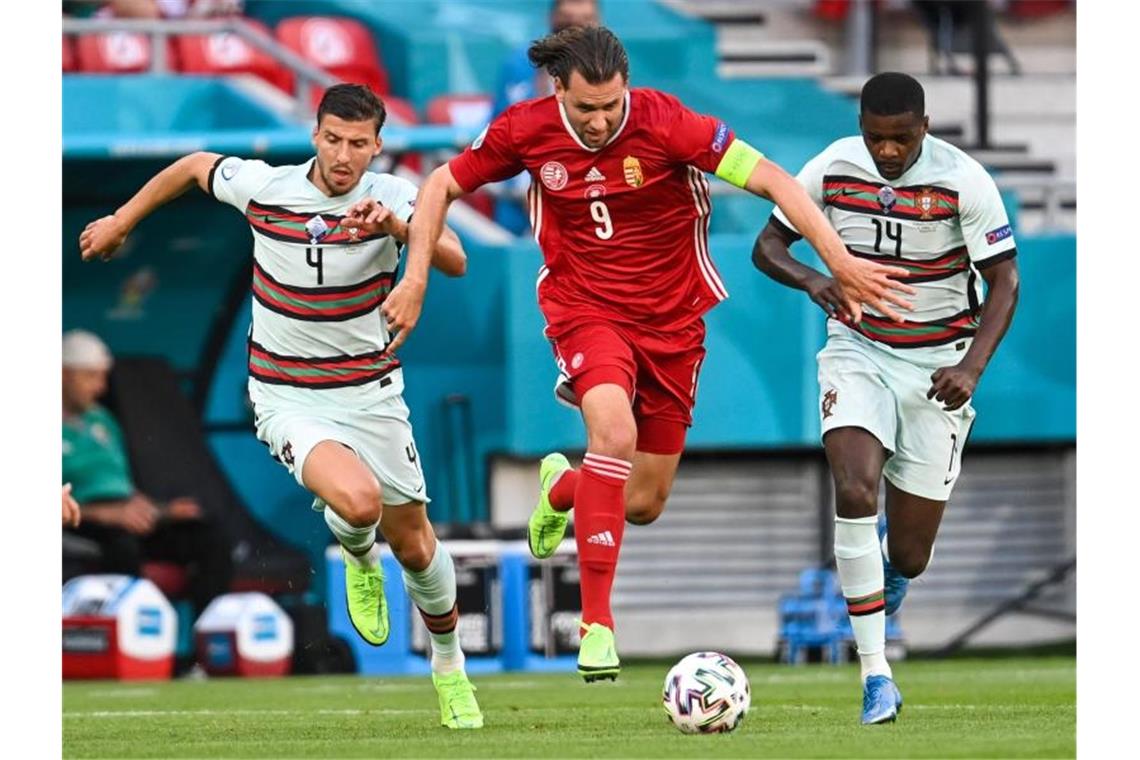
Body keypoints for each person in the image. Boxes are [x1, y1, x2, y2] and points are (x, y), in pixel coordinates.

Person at [382, 26, 915, 682]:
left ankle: (565, 488)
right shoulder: (525, 129)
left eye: (611, 104)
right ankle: (598, 624)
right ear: (559, 92)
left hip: (673, 321)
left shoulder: (667, 123)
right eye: (586, 109)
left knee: (644, 502)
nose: (602, 119)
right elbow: (439, 185)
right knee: (613, 431)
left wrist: (840, 260)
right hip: (585, 310)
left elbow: (773, 178)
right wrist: (414, 277)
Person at [78, 84, 483, 729]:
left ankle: (449, 665)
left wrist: (398, 229)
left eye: (358, 143)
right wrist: (123, 220)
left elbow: (457, 259)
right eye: (333, 139)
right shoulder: (266, 186)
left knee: (415, 542)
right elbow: (191, 167)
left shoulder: (398, 196)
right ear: (315, 135)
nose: (344, 154)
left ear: (377, 145)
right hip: (286, 394)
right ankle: (356, 553)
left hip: (372, 393)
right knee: (358, 505)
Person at [752, 72, 1020, 724]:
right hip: (858, 349)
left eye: (901, 139)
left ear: (923, 127)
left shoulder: (965, 180)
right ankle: (876, 676)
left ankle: (887, 569)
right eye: (877, 138)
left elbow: (1005, 280)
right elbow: (767, 247)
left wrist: (971, 368)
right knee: (852, 489)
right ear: (863, 128)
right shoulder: (831, 167)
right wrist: (814, 279)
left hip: (938, 368)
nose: (889, 152)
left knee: (909, 555)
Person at [61, 329, 233, 617]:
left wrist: (161, 510)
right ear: (64, 375)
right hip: (81, 520)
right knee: (122, 546)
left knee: (209, 537)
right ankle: (134, 639)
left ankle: (205, 648)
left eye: (103, 376)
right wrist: (105, 513)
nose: (101, 387)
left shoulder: (102, 420)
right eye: (91, 376)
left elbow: (120, 483)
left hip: (128, 516)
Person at [491, 0, 602, 234]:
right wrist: (526, 192)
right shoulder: (522, 65)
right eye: (567, 19)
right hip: (523, 199)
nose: (575, 28)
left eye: (584, 20)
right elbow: (502, 136)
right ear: (553, 18)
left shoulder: (607, 70)